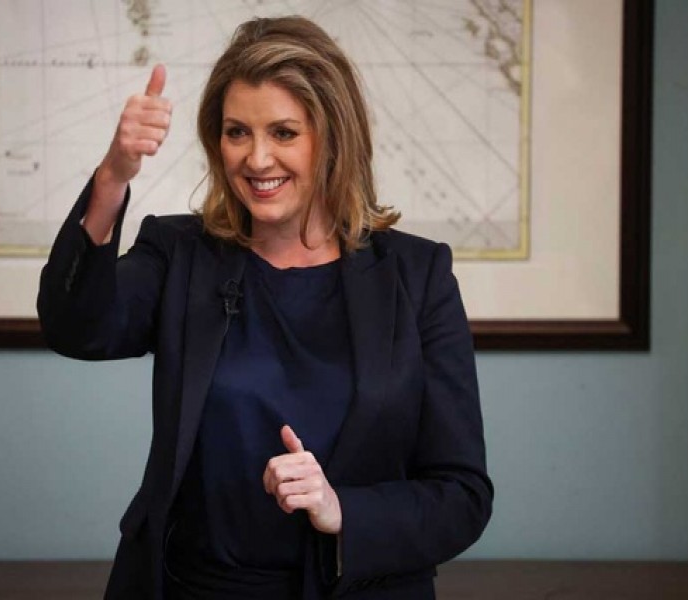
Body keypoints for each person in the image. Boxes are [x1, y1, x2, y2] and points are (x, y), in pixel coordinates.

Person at [38, 15, 493, 600]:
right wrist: (113, 177)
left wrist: (340, 509)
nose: (256, 160)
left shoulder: (417, 276)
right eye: (236, 133)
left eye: (283, 133)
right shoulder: (180, 255)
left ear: (332, 138)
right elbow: (76, 326)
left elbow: (462, 496)